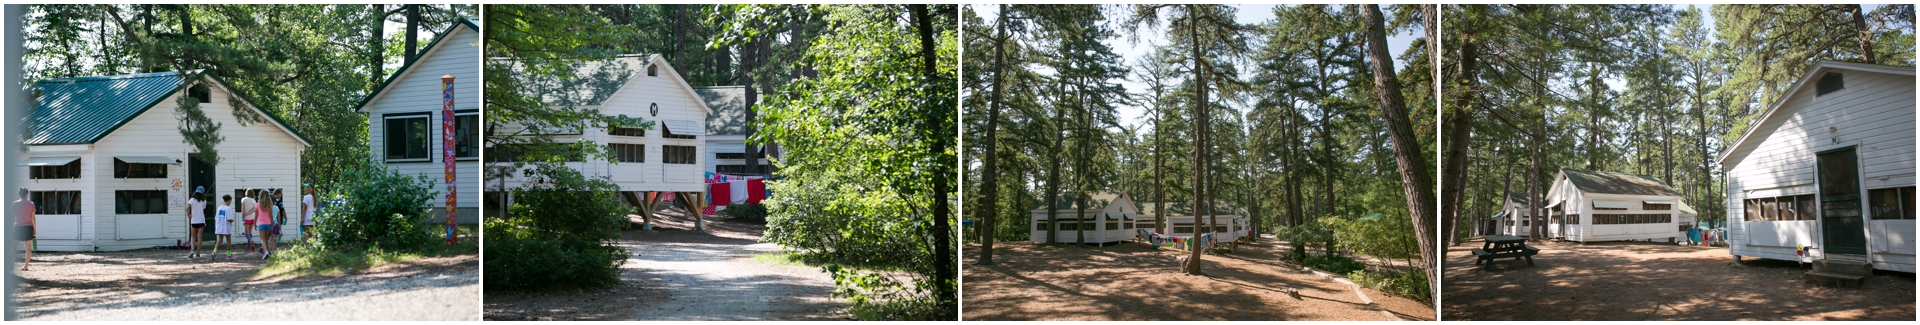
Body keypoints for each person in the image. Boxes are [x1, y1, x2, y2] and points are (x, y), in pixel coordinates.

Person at [14, 188, 36, 271]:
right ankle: (25, 266)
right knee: (28, 247)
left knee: (13, 247)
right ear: (27, 195)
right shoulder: (31, 204)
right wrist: (34, 229)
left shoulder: (15, 204)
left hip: (17, 227)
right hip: (28, 227)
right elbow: (32, 218)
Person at [186, 187, 208, 258]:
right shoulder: (204, 201)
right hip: (201, 220)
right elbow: (204, 209)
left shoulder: (192, 200)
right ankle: (198, 254)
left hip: (194, 220)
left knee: (192, 237)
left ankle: (192, 250)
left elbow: (186, 207)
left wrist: (188, 215)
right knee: (199, 237)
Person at [256, 190, 276, 259]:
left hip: (261, 224)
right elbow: (271, 216)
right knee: (266, 239)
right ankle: (268, 251)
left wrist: (254, 223)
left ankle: (265, 252)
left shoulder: (257, 205)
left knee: (262, 239)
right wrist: (272, 225)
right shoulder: (270, 205)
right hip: (268, 224)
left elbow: (256, 215)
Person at [215, 195, 235, 259]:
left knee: (219, 240)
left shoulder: (219, 208)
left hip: (219, 226)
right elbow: (229, 219)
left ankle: (214, 252)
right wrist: (232, 220)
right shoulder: (228, 208)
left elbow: (216, 217)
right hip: (226, 227)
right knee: (228, 241)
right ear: (229, 200)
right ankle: (228, 255)